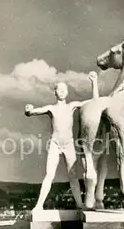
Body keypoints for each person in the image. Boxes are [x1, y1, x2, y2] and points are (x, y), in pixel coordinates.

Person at [24, 74, 97, 210]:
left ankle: (80, 205)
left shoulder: (72, 106)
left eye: (64, 89)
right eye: (59, 89)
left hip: (69, 144)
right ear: (55, 92)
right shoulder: (51, 108)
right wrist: (28, 110)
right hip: (55, 144)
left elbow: (93, 102)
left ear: (67, 92)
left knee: (73, 176)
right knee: (49, 175)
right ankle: (39, 205)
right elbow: (34, 112)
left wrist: (94, 83)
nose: (62, 91)